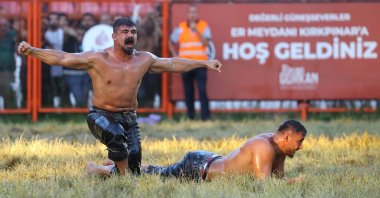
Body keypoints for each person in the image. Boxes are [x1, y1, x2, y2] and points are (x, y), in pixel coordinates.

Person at [18, 17, 222, 176]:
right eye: (125, 32)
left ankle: (99, 168)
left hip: (129, 117)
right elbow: (62, 57)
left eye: (133, 32)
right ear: (114, 37)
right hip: (100, 115)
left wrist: (203, 63)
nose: (130, 35)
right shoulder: (98, 59)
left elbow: (172, 63)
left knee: (133, 166)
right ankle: (125, 183)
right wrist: (33, 51)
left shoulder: (144, 59)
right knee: (117, 142)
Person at [85, 120, 306, 183]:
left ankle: (110, 165)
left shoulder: (278, 148)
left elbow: (278, 178)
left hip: (208, 160)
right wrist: (295, 182)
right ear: (287, 136)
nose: (301, 146)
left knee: (159, 171)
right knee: (153, 176)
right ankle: (97, 169)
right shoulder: (264, 147)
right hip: (199, 168)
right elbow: (263, 186)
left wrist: (289, 181)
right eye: (299, 141)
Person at [169, 4, 212, 120]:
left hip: (200, 64)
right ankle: (190, 116)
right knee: (188, 91)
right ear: (187, 14)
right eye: (190, 12)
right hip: (186, 64)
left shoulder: (204, 26)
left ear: (197, 14)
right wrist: (175, 55)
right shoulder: (181, 27)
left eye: (194, 12)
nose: (192, 15)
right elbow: (171, 41)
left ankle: (205, 116)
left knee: (202, 90)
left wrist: (196, 29)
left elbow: (206, 43)